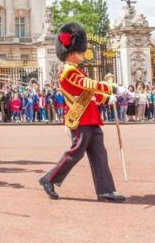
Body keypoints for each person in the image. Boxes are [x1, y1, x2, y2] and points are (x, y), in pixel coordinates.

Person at [39, 22, 126, 203]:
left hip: (90, 117)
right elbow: (88, 85)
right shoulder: (68, 71)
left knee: (99, 154)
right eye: (80, 52)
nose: (83, 55)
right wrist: (112, 87)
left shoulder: (77, 70)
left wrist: (107, 98)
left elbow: (88, 93)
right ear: (71, 53)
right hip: (79, 118)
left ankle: (105, 191)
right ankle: (49, 178)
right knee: (76, 152)